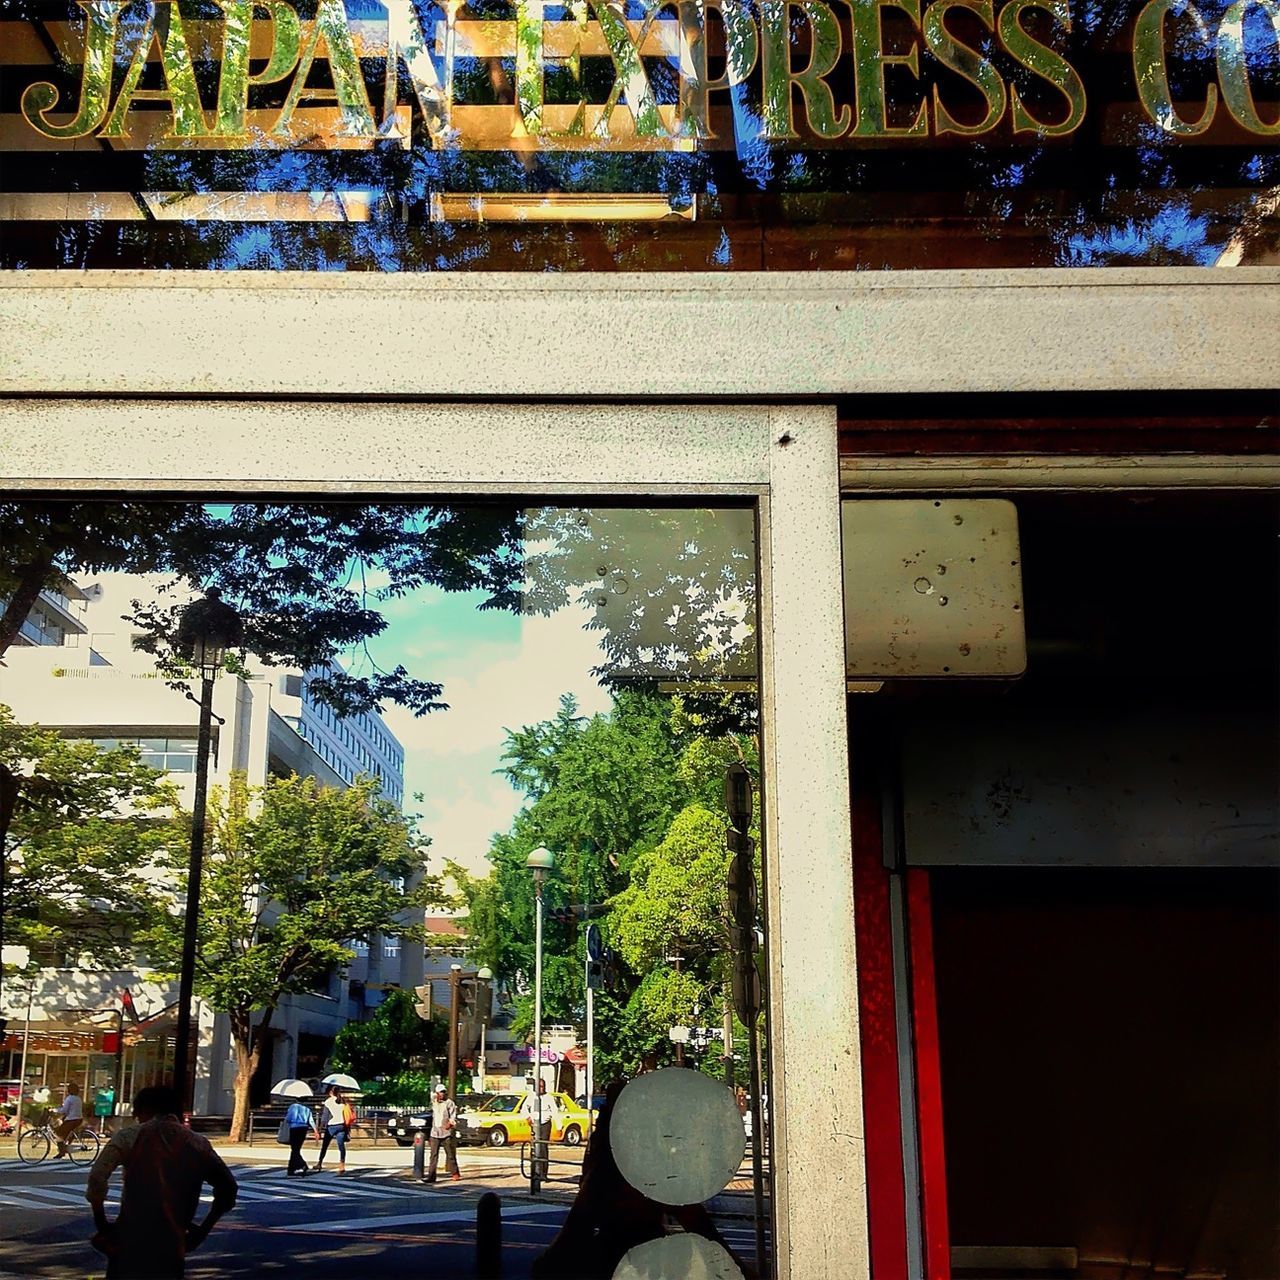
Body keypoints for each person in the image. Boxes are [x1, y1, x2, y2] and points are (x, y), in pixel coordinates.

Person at [85, 1084, 238, 1280]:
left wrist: (101, 1222)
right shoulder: (197, 1143)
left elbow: (98, 1176)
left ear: (145, 1110)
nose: (138, 1120)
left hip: (130, 1240)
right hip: (172, 1243)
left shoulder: (130, 1136)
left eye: (138, 1115)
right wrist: (202, 1230)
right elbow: (228, 1187)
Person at [426, 1085, 460, 1183]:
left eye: (443, 1092)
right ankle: (431, 1176)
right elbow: (432, 1097)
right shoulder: (434, 1102)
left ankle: (455, 1172)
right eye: (440, 1092)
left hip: (446, 1133)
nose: (441, 1094)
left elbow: (453, 1116)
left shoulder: (449, 1103)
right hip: (435, 1133)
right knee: (433, 1155)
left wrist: (450, 1123)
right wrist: (436, 1097)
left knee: (450, 1154)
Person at [315, 1085, 352, 1174]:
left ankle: (320, 1163)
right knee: (341, 1146)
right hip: (342, 1125)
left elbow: (325, 1117)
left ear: (331, 1092)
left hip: (331, 1126)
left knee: (325, 1145)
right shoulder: (342, 1101)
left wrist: (319, 1129)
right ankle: (342, 1165)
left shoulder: (328, 1101)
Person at [521, 1079, 552, 1182]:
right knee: (534, 1148)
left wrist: (560, 1126)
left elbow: (555, 1111)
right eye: (540, 1086)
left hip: (545, 1124)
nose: (541, 1088)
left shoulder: (549, 1097)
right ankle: (535, 1173)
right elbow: (524, 1108)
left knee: (543, 1148)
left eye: (543, 1086)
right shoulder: (531, 1097)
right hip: (535, 1125)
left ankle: (544, 1174)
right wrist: (528, 1117)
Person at [284, 1095, 319, 1176]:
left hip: (294, 1128)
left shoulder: (293, 1107)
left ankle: (302, 1164)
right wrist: (315, 1131)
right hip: (303, 1128)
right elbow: (311, 1120)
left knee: (294, 1149)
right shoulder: (307, 1109)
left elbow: (288, 1118)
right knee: (296, 1148)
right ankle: (291, 1168)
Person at [52, 1081, 85, 1157]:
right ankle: (65, 1146)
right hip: (79, 1120)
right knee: (65, 1133)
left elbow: (64, 1110)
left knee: (58, 1134)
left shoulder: (69, 1099)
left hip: (71, 1120)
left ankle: (62, 1152)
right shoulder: (78, 1099)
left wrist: (55, 1110)